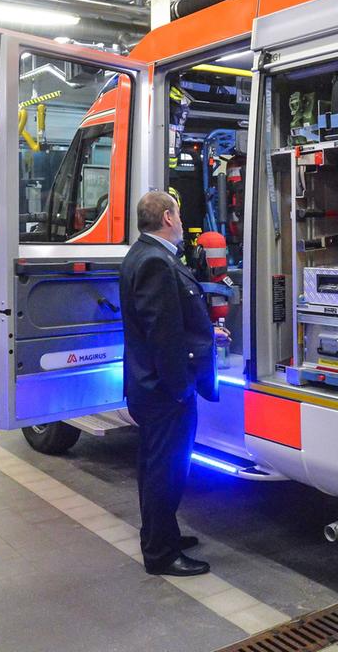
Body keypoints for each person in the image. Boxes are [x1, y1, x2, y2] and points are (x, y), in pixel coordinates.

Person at [119, 190, 226, 577]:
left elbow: (172, 322)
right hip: (163, 391)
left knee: (157, 468)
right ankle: (161, 554)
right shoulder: (155, 262)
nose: (182, 222)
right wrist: (180, 388)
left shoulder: (148, 255)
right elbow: (162, 335)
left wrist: (208, 336)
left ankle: (163, 534)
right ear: (167, 217)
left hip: (153, 388)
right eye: (178, 215)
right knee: (165, 471)